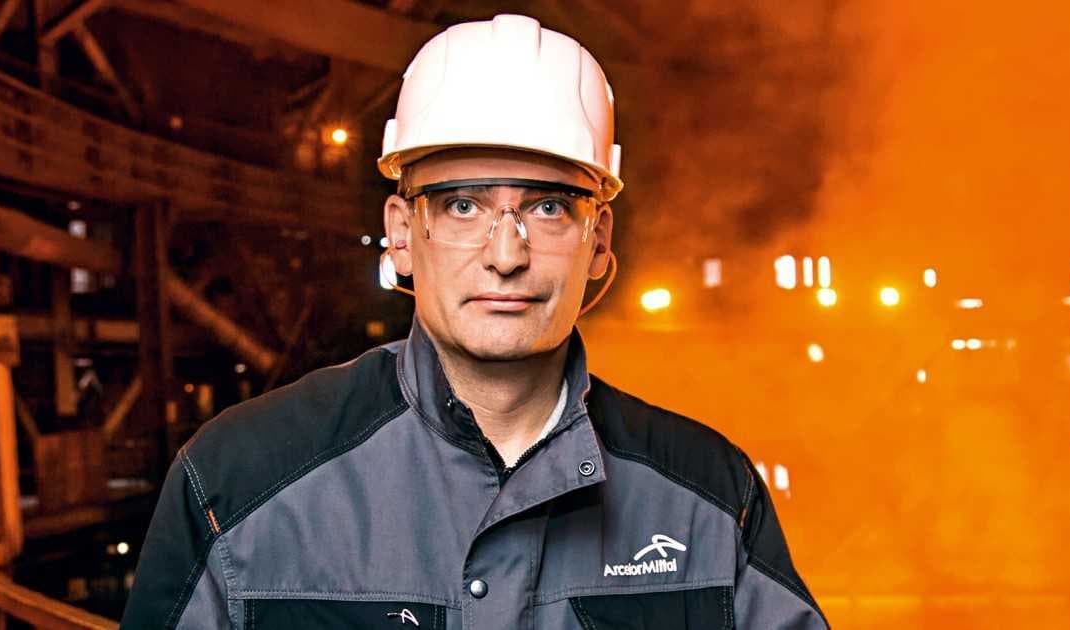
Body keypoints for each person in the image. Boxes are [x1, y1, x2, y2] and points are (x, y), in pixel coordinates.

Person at [121, 14, 827, 629]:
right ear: (402, 232)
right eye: (463, 206)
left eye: (548, 208)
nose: (506, 255)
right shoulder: (238, 486)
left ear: (599, 242)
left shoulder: (709, 497)